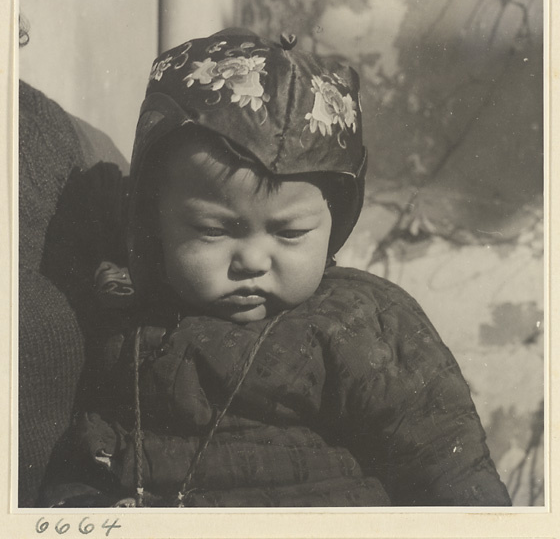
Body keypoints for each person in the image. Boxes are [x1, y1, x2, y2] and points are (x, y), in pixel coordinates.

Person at [41, 28, 511, 507]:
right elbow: (89, 448)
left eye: (289, 234)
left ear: (335, 223)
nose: (252, 261)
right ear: (154, 220)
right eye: (214, 230)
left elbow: (449, 464)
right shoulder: (132, 322)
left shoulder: (361, 322)